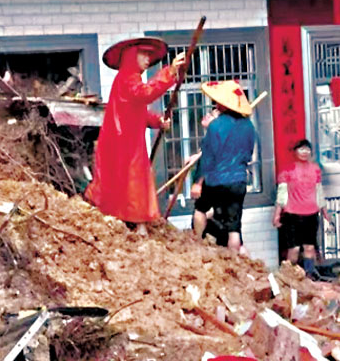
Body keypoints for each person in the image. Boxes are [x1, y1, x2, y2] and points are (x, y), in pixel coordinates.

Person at [85, 37, 186, 228]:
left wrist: (157, 121)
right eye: (144, 54)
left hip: (124, 142)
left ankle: (127, 220)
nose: (148, 59)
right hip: (124, 144)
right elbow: (145, 94)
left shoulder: (128, 79)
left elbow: (137, 111)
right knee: (132, 181)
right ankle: (136, 224)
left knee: (124, 181)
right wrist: (169, 73)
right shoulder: (128, 78)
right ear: (132, 56)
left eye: (150, 55)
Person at [191, 80, 258, 254]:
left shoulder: (216, 126)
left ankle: (197, 243)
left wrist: (198, 182)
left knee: (201, 209)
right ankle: (235, 259)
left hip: (216, 180)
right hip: (238, 181)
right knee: (234, 226)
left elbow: (208, 157)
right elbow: (249, 154)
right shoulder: (249, 127)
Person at [272, 138, 330, 276]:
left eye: (307, 149)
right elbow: (282, 195)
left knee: (309, 247)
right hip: (292, 214)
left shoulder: (315, 169)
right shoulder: (287, 170)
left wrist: (325, 211)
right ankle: (288, 277)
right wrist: (277, 215)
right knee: (294, 249)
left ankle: (309, 275)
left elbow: (319, 191)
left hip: (311, 213)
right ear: (295, 151)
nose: (305, 152)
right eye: (301, 149)